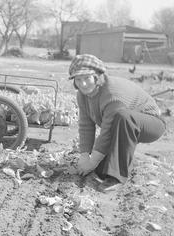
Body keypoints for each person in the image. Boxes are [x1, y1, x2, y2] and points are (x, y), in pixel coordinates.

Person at [69, 54, 165, 192]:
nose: (83, 84)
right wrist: (84, 156)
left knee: (123, 116)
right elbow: (86, 125)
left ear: (96, 76)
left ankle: (117, 177)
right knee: (100, 170)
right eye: (78, 79)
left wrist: (93, 160)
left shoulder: (112, 94)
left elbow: (107, 132)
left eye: (86, 78)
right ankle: (116, 166)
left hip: (152, 124)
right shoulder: (82, 95)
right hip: (123, 125)